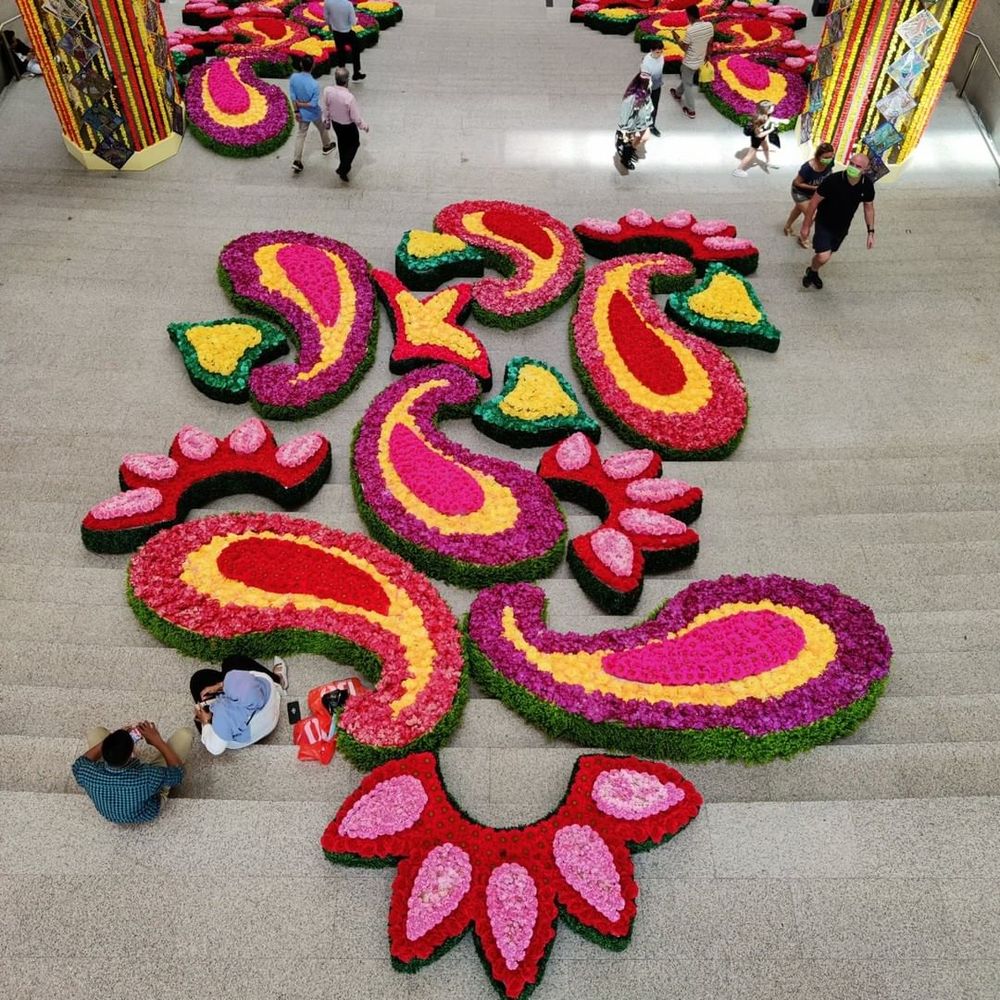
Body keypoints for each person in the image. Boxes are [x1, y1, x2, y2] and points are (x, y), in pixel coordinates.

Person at [72, 721, 193, 825]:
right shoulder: (149, 776)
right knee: (185, 735)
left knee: (96, 732)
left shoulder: (87, 773)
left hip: (109, 813)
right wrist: (158, 741)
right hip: (146, 812)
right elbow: (178, 774)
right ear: (132, 753)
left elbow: (78, 764)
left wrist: (111, 742)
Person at [799, 152, 876, 289]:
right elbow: (813, 203)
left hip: (842, 227)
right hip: (824, 223)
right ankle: (812, 270)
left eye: (858, 166)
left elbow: (868, 208)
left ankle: (813, 272)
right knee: (823, 256)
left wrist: (870, 232)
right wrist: (806, 226)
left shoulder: (867, 185)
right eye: (851, 164)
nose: (853, 168)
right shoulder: (833, 180)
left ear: (865, 170)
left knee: (829, 252)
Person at [190, 654, 288, 756]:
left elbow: (215, 749)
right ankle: (278, 680)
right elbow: (248, 679)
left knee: (198, 679)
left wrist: (206, 723)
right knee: (232, 662)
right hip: (266, 717)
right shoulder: (263, 684)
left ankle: (210, 724)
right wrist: (220, 686)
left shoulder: (223, 715)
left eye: (224, 685)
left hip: (238, 738)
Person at [289, 54, 335, 175]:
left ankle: (297, 160)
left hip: (301, 114)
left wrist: (297, 109)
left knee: (301, 135)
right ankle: (326, 146)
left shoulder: (294, 78)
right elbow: (313, 104)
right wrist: (303, 104)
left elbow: (293, 97)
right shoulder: (314, 84)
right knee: (322, 127)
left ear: (300, 64)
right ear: (313, 66)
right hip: (313, 113)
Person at [322, 67, 369, 182]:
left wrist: (326, 121)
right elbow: (355, 117)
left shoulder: (328, 91)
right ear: (347, 81)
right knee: (354, 143)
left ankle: (342, 166)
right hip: (348, 125)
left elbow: (326, 108)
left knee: (342, 143)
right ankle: (344, 167)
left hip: (336, 124)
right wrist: (364, 126)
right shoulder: (349, 97)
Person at [784, 142, 835, 245]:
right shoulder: (807, 168)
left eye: (831, 157)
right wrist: (814, 187)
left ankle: (787, 226)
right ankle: (803, 237)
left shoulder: (829, 163)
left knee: (798, 209)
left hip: (814, 193)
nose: (829, 160)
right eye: (826, 157)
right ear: (818, 156)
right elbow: (797, 183)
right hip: (799, 192)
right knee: (811, 215)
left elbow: (830, 174)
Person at [669, 6, 714, 120]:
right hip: (701, 59)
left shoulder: (691, 30)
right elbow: (710, 43)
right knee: (687, 79)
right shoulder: (709, 26)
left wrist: (677, 38)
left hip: (689, 62)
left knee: (688, 84)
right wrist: (708, 55)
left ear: (690, 16)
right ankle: (678, 94)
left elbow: (684, 48)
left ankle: (691, 110)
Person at [732, 100, 785, 177]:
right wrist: (771, 129)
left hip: (763, 137)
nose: (773, 108)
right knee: (750, 155)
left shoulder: (766, 115)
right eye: (772, 107)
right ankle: (738, 170)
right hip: (757, 139)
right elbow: (759, 135)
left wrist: (782, 121)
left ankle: (768, 162)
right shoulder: (760, 120)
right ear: (767, 109)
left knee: (766, 148)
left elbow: (770, 120)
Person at [615, 72, 653, 173]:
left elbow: (649, 106)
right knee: (630, 142)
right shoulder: (630, 99)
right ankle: (625, 159)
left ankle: (631, 148)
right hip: (631, 125)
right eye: (649, 81)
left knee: (644, 137)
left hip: (642, 123)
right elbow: (624, 115)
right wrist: (623, 129)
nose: (651, 83)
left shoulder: (646, 92)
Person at [324, 0, 365, 81]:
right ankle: (356, 72)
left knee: (340, 53)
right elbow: (353, 22)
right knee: (356, 49)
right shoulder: (348, 4)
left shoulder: (328, 2)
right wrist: (356, 19)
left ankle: (341, 77)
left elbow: (326, 16)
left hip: (336, 32)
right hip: (347, 32)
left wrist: (329, 25)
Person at [640, 41, 665, 138]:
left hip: (657, 86)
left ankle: (652, 125)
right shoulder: (646, 61)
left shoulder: (662, 57)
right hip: (646, 88)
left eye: (661, 52)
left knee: (654, 106)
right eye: (657, 52)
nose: (659, 54)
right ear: (651, 51)